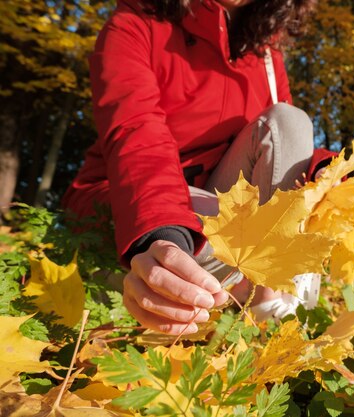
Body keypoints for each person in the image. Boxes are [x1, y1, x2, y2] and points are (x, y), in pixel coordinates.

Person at [62, 0, 335, 334]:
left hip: (211, 194)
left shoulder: (266, 55)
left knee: (290, 121)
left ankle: (268, 303)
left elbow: (281, 144)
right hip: (131, 200)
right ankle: (182, 280)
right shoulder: (136, 23)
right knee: (218, 222)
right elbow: (137, 134)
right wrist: (164, 233)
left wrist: (322, 173)